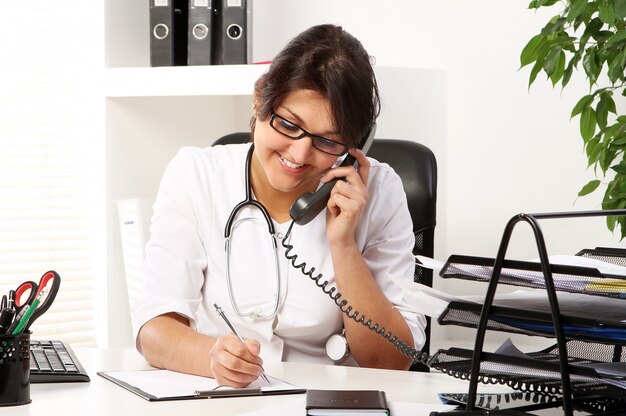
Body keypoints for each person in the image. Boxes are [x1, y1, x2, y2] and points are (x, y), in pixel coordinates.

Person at [133, 24, 426, 388]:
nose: (300, 153)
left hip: (329, 402)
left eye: (328, 142)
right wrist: (213, 359)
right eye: (288, 124)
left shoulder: (380, 191)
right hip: (225, 401)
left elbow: (390, 362)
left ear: (356, 147)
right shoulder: (196, 174)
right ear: (259, 101)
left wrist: (344, 246)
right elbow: (154, 331)